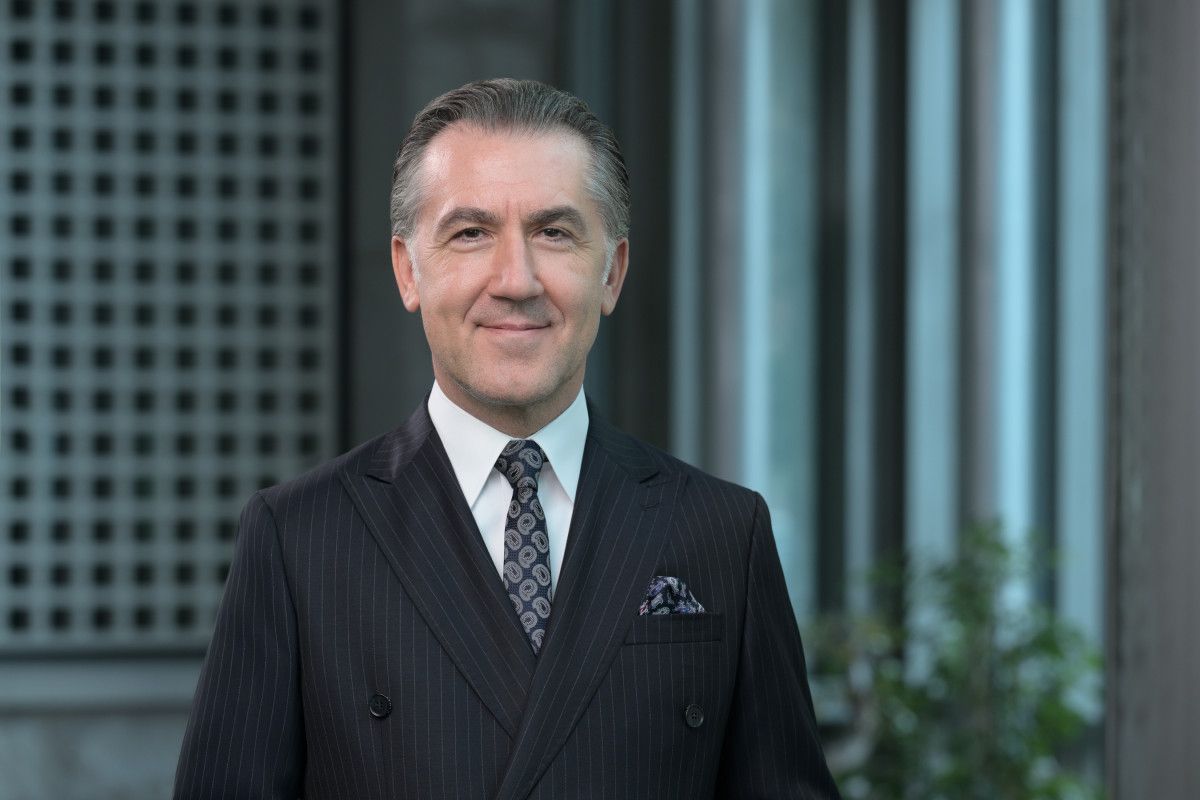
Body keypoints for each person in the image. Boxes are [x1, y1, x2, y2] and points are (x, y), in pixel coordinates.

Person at [174, 78, 840, 799]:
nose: (516, 280)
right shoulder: (298, 540)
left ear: (612, 273)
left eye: (554, 233)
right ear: (408, 271)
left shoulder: (723, 533)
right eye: (471, 233)